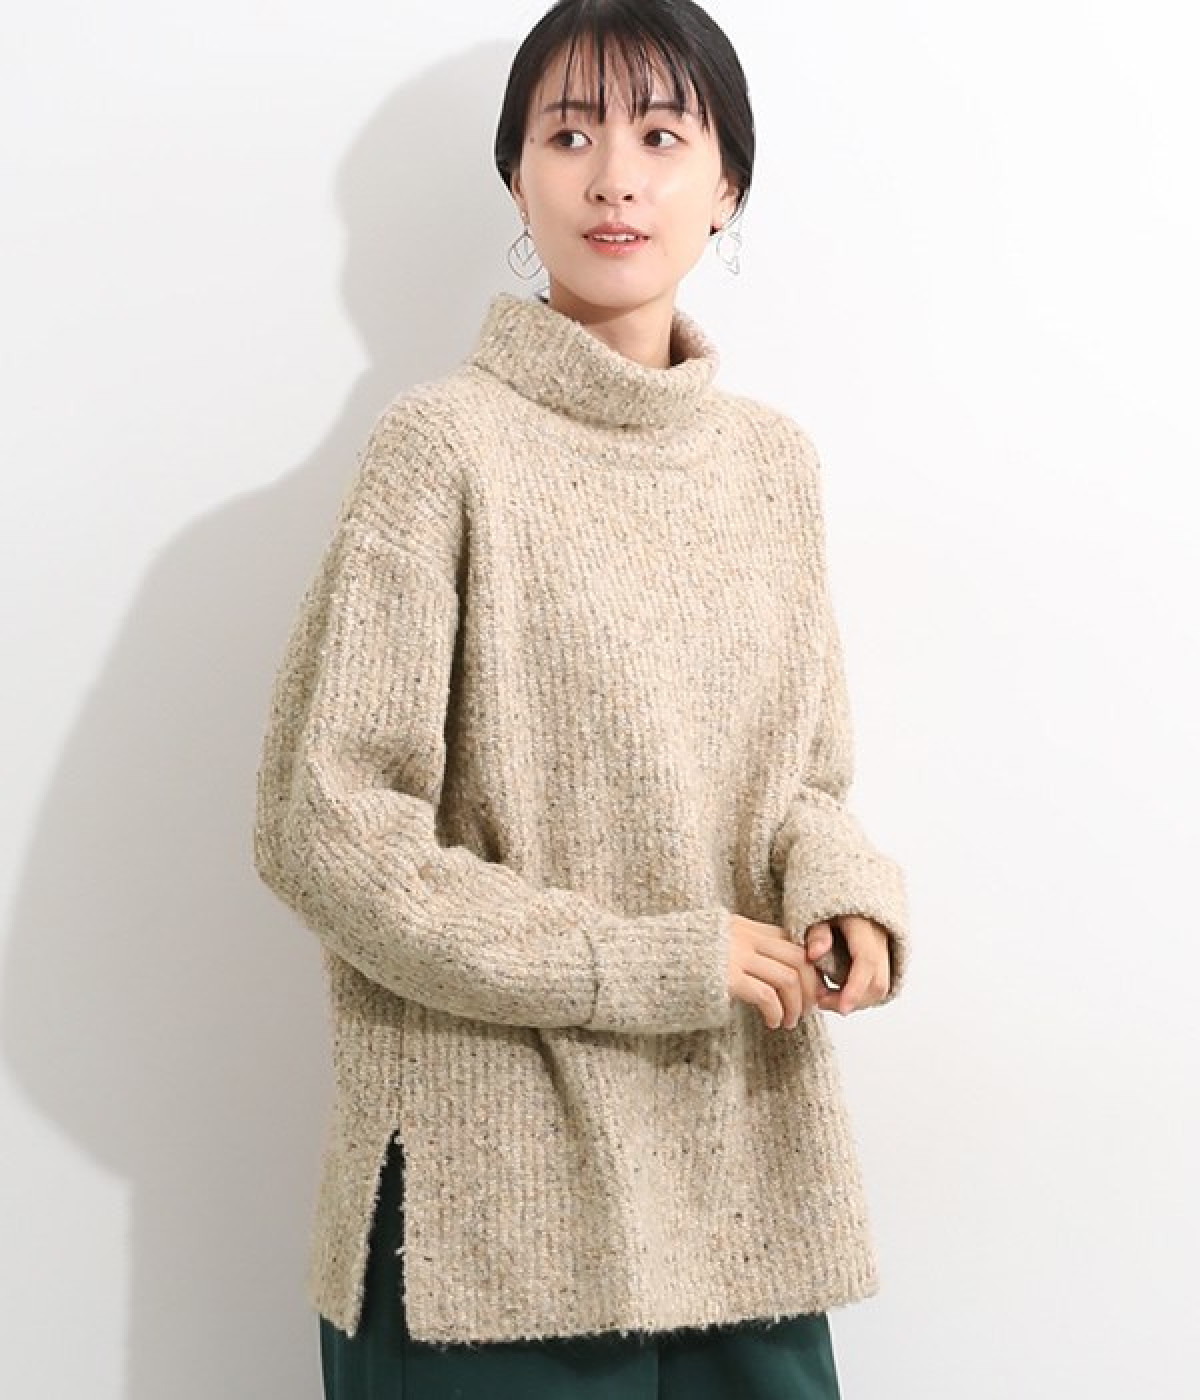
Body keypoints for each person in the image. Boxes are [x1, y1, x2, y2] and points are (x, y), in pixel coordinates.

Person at [251, 1, 912, 1395]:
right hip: (492, 1214)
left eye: (662, 136)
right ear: (517, 180)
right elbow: (326, 830)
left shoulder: (771, 466)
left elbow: (806, 778)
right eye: (569, 135)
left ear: (729, 184)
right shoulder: (443, 450)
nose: (615, 176)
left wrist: (842, 891)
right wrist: (645, 963)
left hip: (739, 1179)